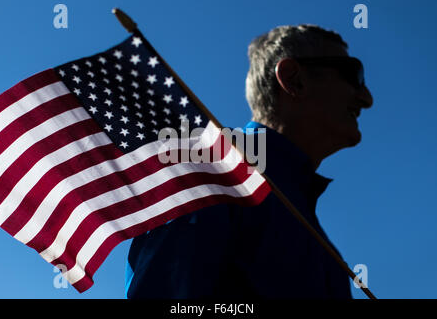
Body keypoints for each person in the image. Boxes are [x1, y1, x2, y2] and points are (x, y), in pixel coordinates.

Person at [125, 24, 373, 299]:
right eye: (353, 75)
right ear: (294, 80)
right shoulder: (213, 166)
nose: (367, 98)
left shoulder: (315, 231)